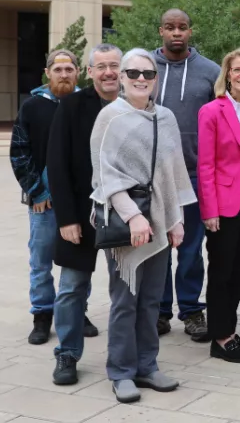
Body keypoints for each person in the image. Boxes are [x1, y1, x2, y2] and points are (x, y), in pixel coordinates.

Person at [90, 48, 195, 403]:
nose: (140, 79)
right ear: (121, 77)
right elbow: (104, 175)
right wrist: (133, 215)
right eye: (133, 73)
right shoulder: (110, 117)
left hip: (160, 220)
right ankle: (121, 372)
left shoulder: (164, 117)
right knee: (125, 301)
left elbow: (173, 171)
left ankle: (147, 366)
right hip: (124, 221)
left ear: (156, 79)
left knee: (151, 300)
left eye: (148, 74)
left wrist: (176, 219)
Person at [10, 49, 98, 345]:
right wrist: (37, 192)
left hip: (80, 200)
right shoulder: (32, 107)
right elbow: (19, 154)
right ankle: (43, 315)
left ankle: (77, 311)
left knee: (79, 258)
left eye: (69, 69)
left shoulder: (87, 105)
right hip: (42, 202)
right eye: (57, 70)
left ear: (78, 72)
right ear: (47, 73)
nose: (63, 74)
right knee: (41, 260)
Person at [47, 44, 122, 385]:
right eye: (101, 66)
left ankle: (127, 356)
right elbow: (57, 164)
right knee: (72, 288)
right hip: (81, 213)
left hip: (126, 213)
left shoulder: (136, 105)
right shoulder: (72, 106)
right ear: (89, 72)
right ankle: (67, 354)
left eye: (114, 66)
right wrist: (65, 218)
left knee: (126, 289)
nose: (109, 72)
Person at [154, 8, 221, 341]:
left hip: (195, 175)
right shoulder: (144, 70)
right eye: (170, 28)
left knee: (192, 249)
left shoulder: (210, 71)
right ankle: (161, 311)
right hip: (154, 178)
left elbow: (223, 122)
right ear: (160, 31)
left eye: (182, 27)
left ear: (190, 31)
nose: (176, 33)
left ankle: (193, 310)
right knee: (159, 248)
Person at [198, 48, 240, 363]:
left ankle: (230, 330)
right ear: (227, 75)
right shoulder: (212, 111)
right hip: (224, 204)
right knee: (222, 271)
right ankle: (220, 337)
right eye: (236, 70)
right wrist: (209, 210)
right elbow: (206, 165)